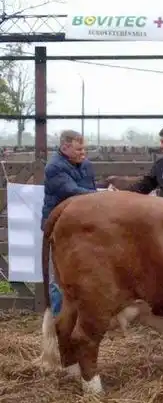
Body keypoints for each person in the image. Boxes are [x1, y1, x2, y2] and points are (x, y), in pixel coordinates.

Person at [41, 129, 98, 314]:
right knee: (60, 275)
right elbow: (72, 191)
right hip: (60, 228)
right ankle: (58, 316)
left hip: (83, 226)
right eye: (79, 149)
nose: (83, 153)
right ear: (65, 147)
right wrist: (102, 196)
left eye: (84, 149)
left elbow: (88, 189)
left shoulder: (86, 165)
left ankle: (82, 314)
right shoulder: (54, 167)